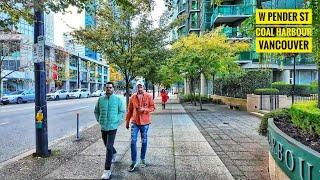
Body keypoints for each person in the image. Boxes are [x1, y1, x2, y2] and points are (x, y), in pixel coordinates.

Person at [94, 82, 125, 179]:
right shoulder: (100, 99)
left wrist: (117, 121)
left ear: (113, 89)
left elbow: (122, 111)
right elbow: (96, 111)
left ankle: (107, 170)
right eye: (107, 87)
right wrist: (99, 120)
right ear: (105, 88)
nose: (108, 89)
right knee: (106, 144)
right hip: (104, 127)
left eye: (110, 87)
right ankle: (114, 153)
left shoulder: (117, 99)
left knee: (108, 147)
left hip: (113, 127)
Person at [125, 82, 155, 172]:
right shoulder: (133, 97)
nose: (139, 88)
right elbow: (129, 110)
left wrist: (144, 110)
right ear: (136, 88)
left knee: (144, 141)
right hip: (135, 122)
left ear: (143, 87)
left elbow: (153, 107)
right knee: (133, 142)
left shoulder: (149, 96)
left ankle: (142, 159)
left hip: (145, 123)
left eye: (141, 86)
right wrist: (127, 122)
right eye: (138, 87)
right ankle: (133, 162)